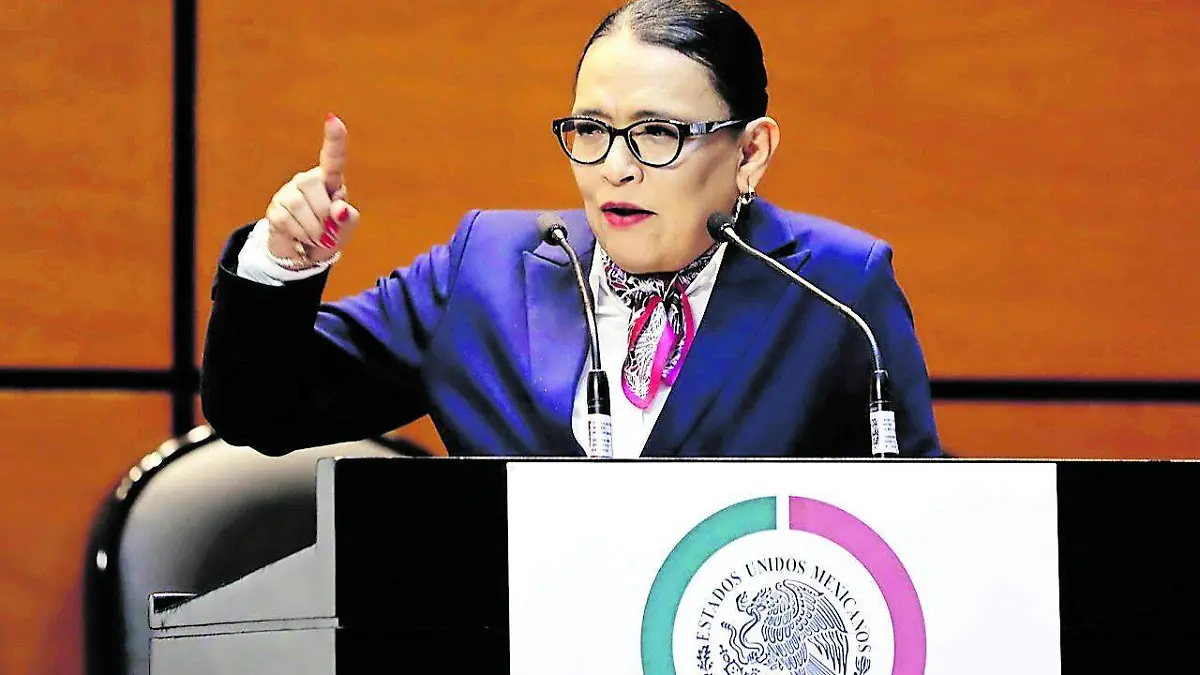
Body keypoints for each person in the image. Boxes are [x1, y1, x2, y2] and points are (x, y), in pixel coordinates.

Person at [200, 0, 942, 458]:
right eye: (591, 129)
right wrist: (279, 263)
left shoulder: (836, 290)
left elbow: (916, 522)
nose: (614, 168)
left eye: (656, 133)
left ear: (750, 151)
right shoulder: (483, 268)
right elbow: (262, 410)